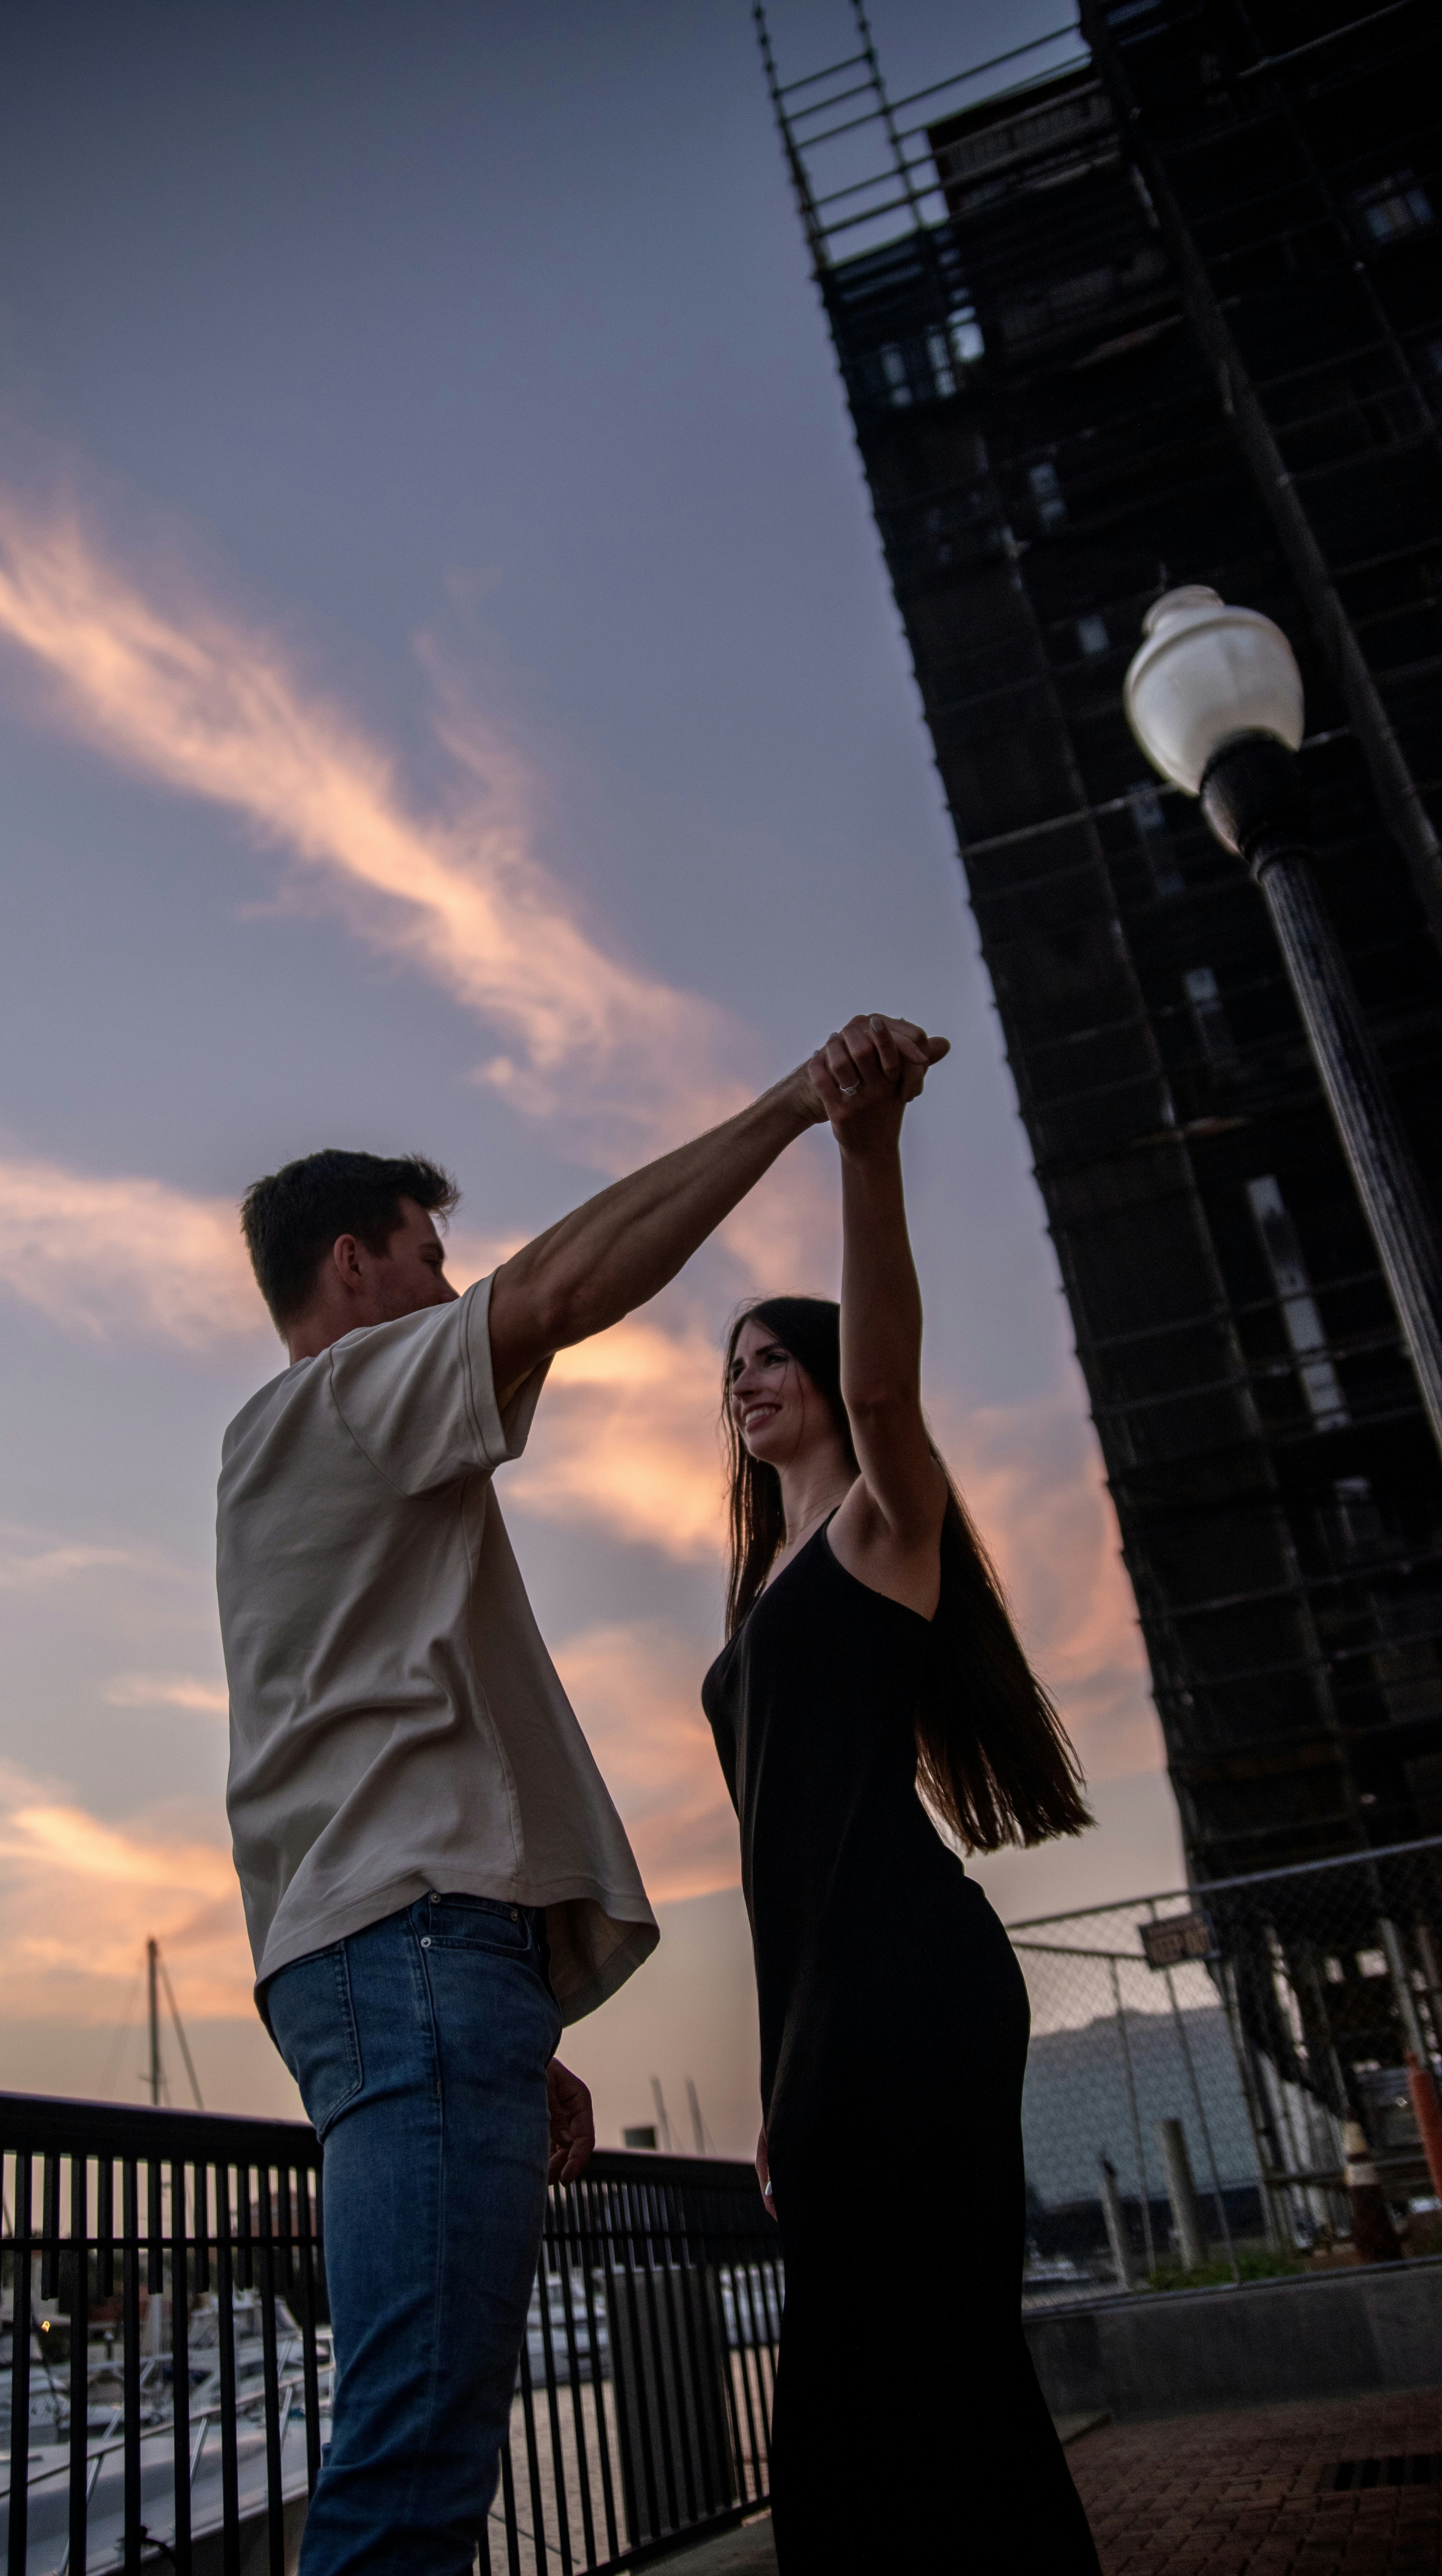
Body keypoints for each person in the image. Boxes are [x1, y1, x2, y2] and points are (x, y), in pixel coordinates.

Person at [216, 1022, 940, 2576]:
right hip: (409, 1967)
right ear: (352, 1270)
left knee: (421, 2440)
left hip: (400, 1971)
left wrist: (510, 2003)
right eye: (427, 1257)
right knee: (414, 2461)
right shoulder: (346, 1397)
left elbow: (389, 1742)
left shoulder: (301, 1458)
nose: (449, 1288)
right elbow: (555, 1291)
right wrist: (783, 1111)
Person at [702, 1012, 1101, 2573]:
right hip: (830, 2022)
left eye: (770, 1355)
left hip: (919, 1988)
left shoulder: (883, 1528)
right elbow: (768, 1868)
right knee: (849, 2397)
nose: (746, 1380)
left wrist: (862, 1148)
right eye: (730, 1369)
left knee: (934, 2363)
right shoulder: (755, 1607)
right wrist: (775, 2072)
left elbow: (885, 1390)